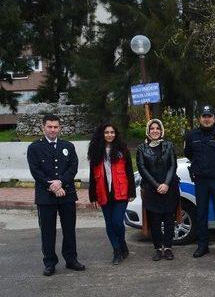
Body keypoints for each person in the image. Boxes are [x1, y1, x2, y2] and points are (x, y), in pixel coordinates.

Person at [27, 114, 85, 276]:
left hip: (67, 193)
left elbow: (73, 167)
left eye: (55, 127)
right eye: (49, 126)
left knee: (69, 229)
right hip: (46, 196)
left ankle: (71, 259)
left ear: (60, 128)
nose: (53, 129)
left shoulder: (68, 146)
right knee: (47, 231)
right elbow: (36, 171)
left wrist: (60, 183)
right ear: (43, 127)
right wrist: (52, 185)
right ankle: (50, 262)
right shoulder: (34, 148)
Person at [184, 105, 215, 258]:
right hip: (201, 180)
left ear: (214, 118)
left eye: (209, 116)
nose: (206, 118)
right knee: (201, 214)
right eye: (204, 116)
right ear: (200, 118)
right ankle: (202, 246)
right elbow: (189, 154)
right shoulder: (191, 135)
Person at [87, 122, 136, 265]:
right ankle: (117, 250)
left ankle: (121, 243)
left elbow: (129, 171)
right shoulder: (96, 151)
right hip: (103, 192)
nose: (110, 135)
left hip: (121, 191)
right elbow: (92, 175)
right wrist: (93, 196)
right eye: (107, 132)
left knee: (117, 221)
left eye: (112, 132)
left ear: (116, 134)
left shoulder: (122, 149)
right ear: (102, 134)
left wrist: (132, 191)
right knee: (109, 223)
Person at [136, 119, 180, 261]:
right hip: (151, 190)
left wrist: (166, 184)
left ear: (161, 130)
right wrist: (156, 185)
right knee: (154, 221)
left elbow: (173, 166)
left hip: (169, 189)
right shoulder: (141, 148)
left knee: (168, 221)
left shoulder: (169, 146)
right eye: (152, 128)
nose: (155, 131)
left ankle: (168, 248)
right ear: (148, 131)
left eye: (157, 128)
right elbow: (142, 169)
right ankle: (157, 248)